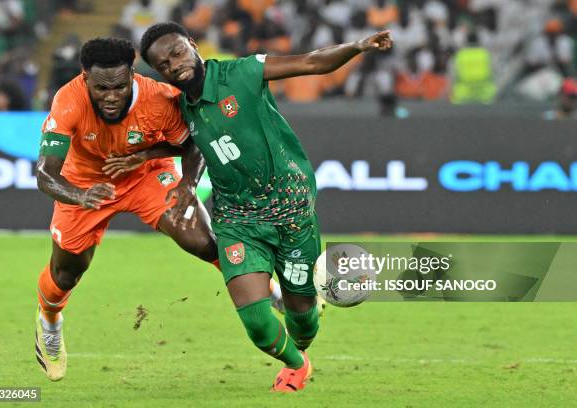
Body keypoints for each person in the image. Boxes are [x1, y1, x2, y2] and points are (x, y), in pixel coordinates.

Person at [128, 22, 392, 392]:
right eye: (163, 64)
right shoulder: (179, 105)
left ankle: (305, 325)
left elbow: (313, 63)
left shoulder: (243, 72)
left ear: (192, 44)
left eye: (176, 52)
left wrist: (359, 45)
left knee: (303, 320)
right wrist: (181, 179)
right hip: (237, 218)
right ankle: (297, 365)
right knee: (256, 321)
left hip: (291, 208)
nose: (173, 65)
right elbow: (189, 144)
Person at [34, 37, 283, 382]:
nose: (111, 96)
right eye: (101, 88)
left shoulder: (159, 98)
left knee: (201, 240)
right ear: (84, 77)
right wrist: (79, 196)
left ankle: (270, 292)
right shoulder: (68, 100)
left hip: (147, 176)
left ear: (133, 75)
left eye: (120, 86)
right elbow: (46, 174)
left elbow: (191, 142)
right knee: (67, 274)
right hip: (86, 185)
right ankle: (49, 321)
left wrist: (186, 184)